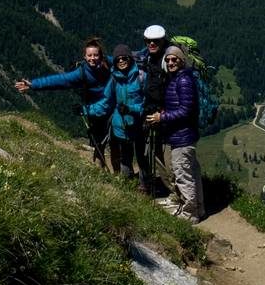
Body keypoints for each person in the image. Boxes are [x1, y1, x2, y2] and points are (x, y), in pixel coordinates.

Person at [14, 38, 119, 172]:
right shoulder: (81, 73)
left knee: (116, 142)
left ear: (101, 55)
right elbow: (60, 80)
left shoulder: (110, 63)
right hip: (95, 111)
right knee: (99, 143)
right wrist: (34, 85)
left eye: (96, 55)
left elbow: (127, 58)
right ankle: (103, 174)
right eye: (89, 55)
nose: (93, 58)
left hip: (111, 108)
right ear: (84, 57)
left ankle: (118, 175)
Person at [147, 44, 205, 223]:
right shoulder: (180, 78)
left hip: (182, 136)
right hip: (185, 136)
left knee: (183, 175)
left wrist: (161, 117)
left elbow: (186, 110)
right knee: (192, 173)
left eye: (175, 59)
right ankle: (199, 208)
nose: (171, 62)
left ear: (182, 61)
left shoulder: (183, 81)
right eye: (168, 60)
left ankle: (190, 214)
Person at [88, 44, 153, 192]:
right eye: (118, 59)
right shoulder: (114, 78)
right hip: (120, 127)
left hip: (139, 125)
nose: (122, 61)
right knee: (126, 158)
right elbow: (105, 101)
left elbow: (147, 105)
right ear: (115, 61)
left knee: (142, 158)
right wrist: (86, 110)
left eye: (125, 58)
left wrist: (132, 109)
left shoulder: (141, 76)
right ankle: (128, 187)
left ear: (130, 59)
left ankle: (144, 187)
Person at [134, 24, 171, 195]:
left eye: (155, 41)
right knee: (143, 148)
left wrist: (163, 114)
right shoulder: (146, 57)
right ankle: (147, 184)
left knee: (158, 151)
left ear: (162, 41)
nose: (151, 44)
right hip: (148, 111)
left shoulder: (169, 61)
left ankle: (167, 187)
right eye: (148, 41)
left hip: (163, 114)